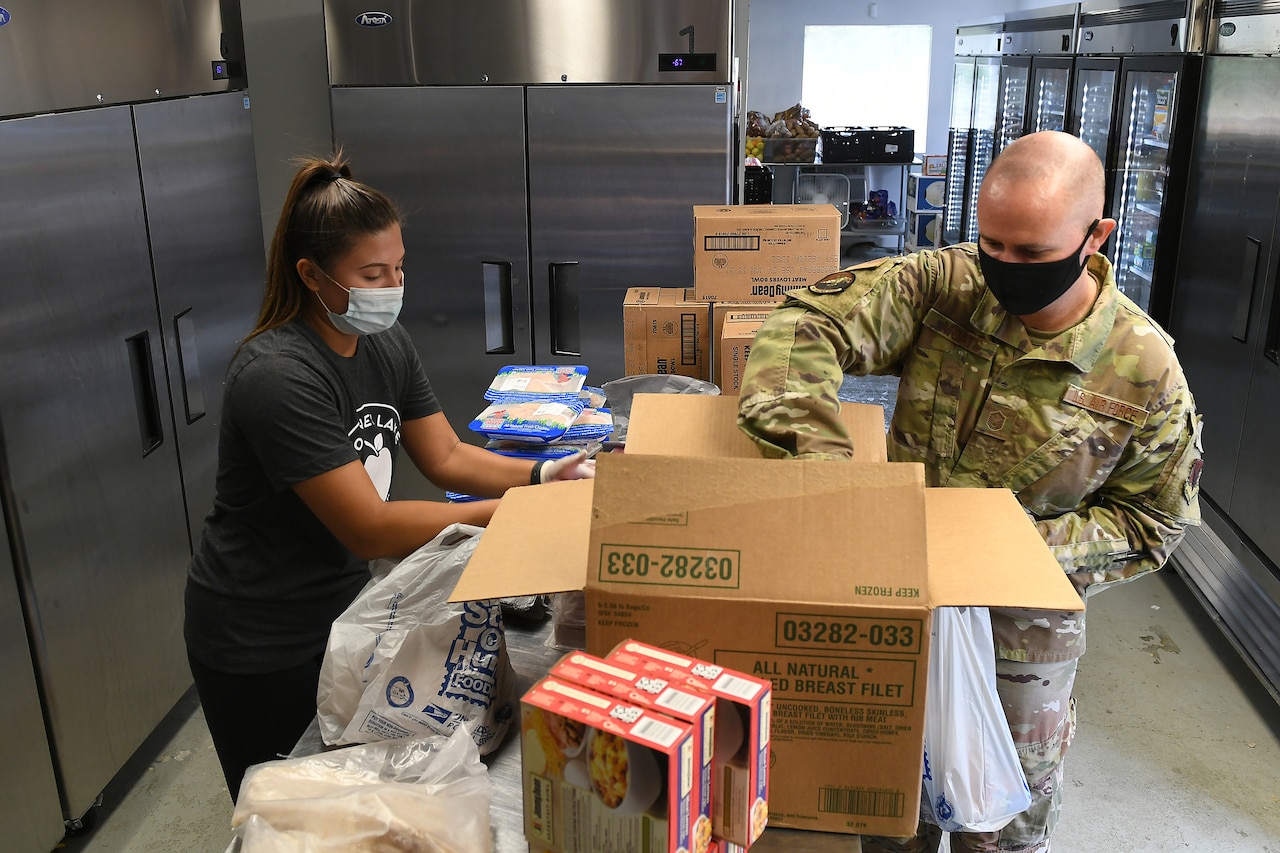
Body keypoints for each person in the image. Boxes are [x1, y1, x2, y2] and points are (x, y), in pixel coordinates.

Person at [737, 131, 1203, 852]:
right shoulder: (947, 284)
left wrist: (1001, 548)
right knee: (893, 806)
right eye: (993, 244)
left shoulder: (1142, 369)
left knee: (1001, 825)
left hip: (1023, 636)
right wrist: (825, 464)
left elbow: (1151, 523)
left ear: (1095, 236)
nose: (1005, 268)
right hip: (899, 599)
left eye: (1032, 253)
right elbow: (808, 322)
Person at [184, 154, 595, 802]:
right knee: (288, 812)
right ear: (312, 275)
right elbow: (371, 528)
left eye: (398, 267)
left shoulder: (383, 342)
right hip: (259, 636)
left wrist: (543, 475)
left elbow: (448, 457)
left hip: (346, 610)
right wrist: (517, 513)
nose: (392, 286)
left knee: (354, 798)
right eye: (372, 274)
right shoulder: (278, 375)